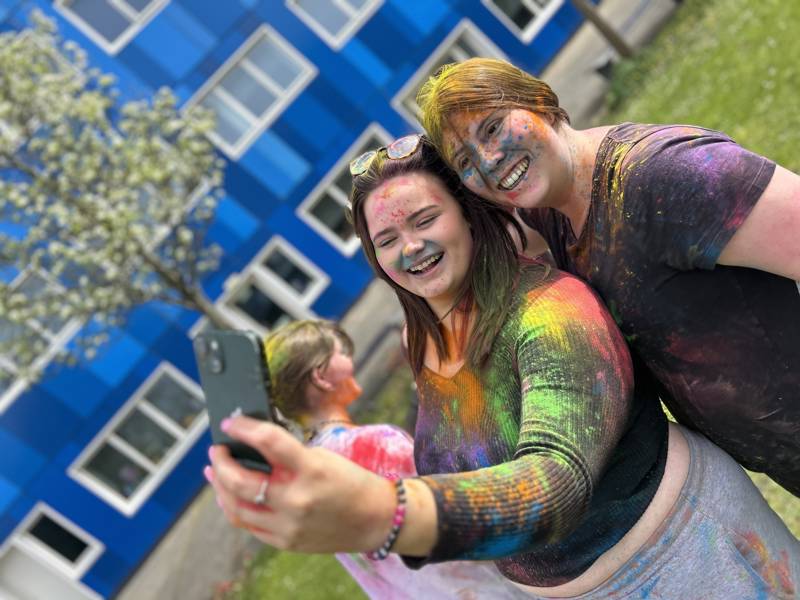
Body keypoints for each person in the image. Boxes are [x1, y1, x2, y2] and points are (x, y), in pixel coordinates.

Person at [207, 135, 799, 599]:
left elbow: (554, 483)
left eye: (423, 220)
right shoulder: (433, 340)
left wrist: (382, 514)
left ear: (468, 215)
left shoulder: (552, 312)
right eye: (386, 239)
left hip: (691, 564)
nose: (409, 248)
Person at [416, 57, 800, 497]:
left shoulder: (662, 176)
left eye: (492, 127)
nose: (488, 162)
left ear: (539, 101)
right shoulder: (553, 213)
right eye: (466, 161)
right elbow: (478, 248)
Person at [206, 318, 526, 599]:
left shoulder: (309, 475)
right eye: (340, 353)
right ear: (321, 376)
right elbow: (465, 514)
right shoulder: (375, 444)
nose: (350, 359)